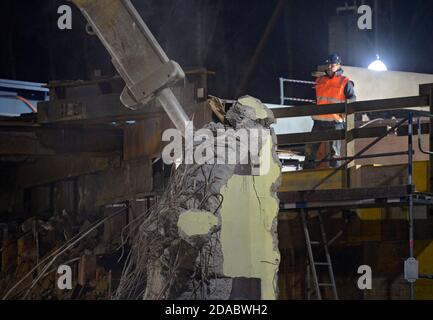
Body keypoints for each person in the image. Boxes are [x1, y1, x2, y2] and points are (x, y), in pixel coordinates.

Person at [303, 53, 356, 169]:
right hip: (318, 121)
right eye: (329, 64)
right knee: (310, 151)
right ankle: (305, 174)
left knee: (335, 153)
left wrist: (344, 113)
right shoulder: (320, 80)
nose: (330, 66)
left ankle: (336, 176)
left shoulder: (345, 81)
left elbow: (352, 99)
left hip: (335, 122)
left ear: (338, 65)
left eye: (333, 64)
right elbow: (315, 98)